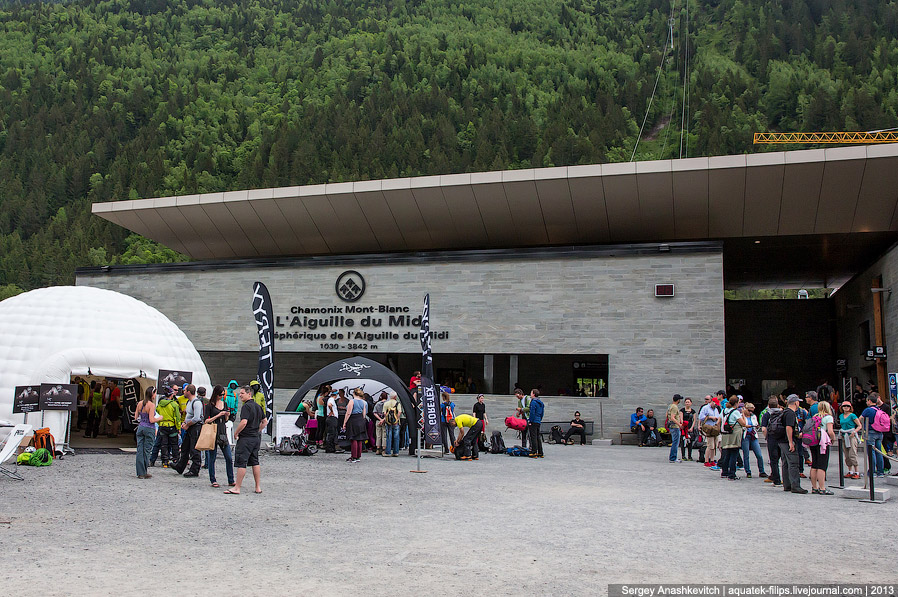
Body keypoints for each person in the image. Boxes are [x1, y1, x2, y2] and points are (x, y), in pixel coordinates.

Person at [225, 385, 267, 495]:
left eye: (242, 393)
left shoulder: (246, 406)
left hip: (246, 438)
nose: (240, 395)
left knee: (241, 462)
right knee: (255, 461)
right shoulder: (258, 406)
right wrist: (258, 430)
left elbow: (244, 422)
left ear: (249, 394)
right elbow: (265, 421)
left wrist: (236, 432)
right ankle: (258, 487)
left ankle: (237, 487)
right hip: (255, 438)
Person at [205, 385, 234, 489]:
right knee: (212, 458)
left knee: (229, 458)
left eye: (223, 395)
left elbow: (226, 420)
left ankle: (231, 479)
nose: (222, 396)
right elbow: (206, 420)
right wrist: (218, 415)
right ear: (216, 394)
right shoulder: (209, 406)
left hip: (222, 432)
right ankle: (213, 479)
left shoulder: (224, 403)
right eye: (220, 395)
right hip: (213, 432)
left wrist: (227, 415)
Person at [777, 394, 807, 494]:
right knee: (793, 463)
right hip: (787, 441)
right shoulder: (790, 413)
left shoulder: (784, 412)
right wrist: (791, 442)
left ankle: (787, 484)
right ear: (795, 402)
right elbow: (789, 427)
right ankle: (795, 485)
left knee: (785, 463)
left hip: (781, 440)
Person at [173, 385, 203, 477]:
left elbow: (196, 418)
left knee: (194, 449)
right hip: (189, 426)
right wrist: (185, 423)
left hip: (195, 427)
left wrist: (187, 424)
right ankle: (180, 466)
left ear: (189, 392)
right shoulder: (189, 402)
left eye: (184, 390)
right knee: (185, 447)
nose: (183, 392)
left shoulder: (197, 403)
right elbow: (189, 416)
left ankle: (195, 469)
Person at [134, 386, 162, 479]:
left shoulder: (140, 403)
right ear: (152, 394)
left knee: (139, 450)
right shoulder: (151, 405)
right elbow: (151, 419)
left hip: (141, 427)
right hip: (149, 428)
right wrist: (159, 418)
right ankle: (144, 471)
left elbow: (136, 417)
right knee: (147, 450)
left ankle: (139, 472)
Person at [809, 401, 836, 495]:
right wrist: (833, 439)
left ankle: (814, 487)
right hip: (823, 442)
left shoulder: (815, 417)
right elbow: (830, 431)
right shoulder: (828, 417)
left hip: (814, 441)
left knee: (814, 464)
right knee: (822, 465)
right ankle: (822, 487)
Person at [151, 386, 182, 468]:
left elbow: (157, 413)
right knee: (174, 444)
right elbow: (177, 418)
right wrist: (178, 428)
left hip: (162, 426)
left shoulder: (160, 404)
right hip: (171, 426)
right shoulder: (174, 404)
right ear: (171, 395)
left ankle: (165, 461)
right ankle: (175, 460)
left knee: (163, 444)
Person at [718, 396, 746, 480]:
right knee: (734, 453)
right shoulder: (736, 412)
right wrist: (743, 415)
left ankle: (724, 472)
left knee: (726, 453)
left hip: (725, 434)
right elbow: (743, 423)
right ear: (736, 403)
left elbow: (718, 421)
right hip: (734, 433)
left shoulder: (723, 410)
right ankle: (732, 474)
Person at [861, 394, 887, 478]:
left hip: (871, 432)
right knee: (879, 452)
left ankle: (872, 472)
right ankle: (880, 471)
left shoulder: (868, 410)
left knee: (871, 452)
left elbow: (860, 418)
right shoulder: (879, 409)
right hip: (879, 432)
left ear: (869, 401)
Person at [761, 396, 783, 486]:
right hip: (781, 438)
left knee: (773, 460)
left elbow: (763, 429)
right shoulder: (782, 413)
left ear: (768, 406)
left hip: (772, 438)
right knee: (783, 459)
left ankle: (776, 479)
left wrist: (767, 437)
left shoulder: (766, 414)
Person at [740, 403, 767, 479]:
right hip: (745, 435)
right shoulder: (741, 416)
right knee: (746, 454)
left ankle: (762, 471)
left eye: (752, 411)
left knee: (759, 454)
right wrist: (743, 414)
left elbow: (756, 424)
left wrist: (757, 426)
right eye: (749, 410)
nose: (750, 412)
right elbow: (743, 424)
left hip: (753, 435)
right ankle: (748, 471)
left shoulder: (753, 416)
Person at [342, 388, 368, 463]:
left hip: (353, 419)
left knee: (353, 438)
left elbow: (348, 412)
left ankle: (353, 456)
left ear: (354, 394)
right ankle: (358, 456)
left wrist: (344, 422)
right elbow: (364, 413)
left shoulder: (352, 401)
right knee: (359, 438)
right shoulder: (364, 402)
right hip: (361, 419)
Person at [839, 401, 862, 479]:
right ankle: (850, 471)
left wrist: (854, 432)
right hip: (844, 435)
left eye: (847, 406)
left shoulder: (852, 415)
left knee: (852, 453)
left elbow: (859, 425)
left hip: (851, 435)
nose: (846, 407)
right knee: (846, 454)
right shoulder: (841, 416)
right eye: (844, 406)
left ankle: (857, 471)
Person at [699, 397, 721, 467]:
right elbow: (701, 417)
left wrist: (716, 419)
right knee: (710, 445)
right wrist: (710, 417)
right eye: (715, 403)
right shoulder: (705, 408)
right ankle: (706, 460)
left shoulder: (716, 409)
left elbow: (718, 416)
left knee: (714, 445)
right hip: (708, 427)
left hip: (714, 428)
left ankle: (712, 459)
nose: (715, 405)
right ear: (711, 402)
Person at [383, 392, 402, 457]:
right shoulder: (398, 403)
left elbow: (384, 413)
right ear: (395, 397)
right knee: (396, 437)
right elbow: (399, 411)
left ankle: (388, 452)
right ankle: (395, 452)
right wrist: (397, 418)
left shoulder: (386, 403)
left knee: (388, 436)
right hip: (396, 422)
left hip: (388, 422)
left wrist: (387, 419)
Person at [527, 389, 545, 458]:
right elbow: (542, 413)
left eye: (531, 393)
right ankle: (540, 452)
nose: (530, 394)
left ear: (533, 394)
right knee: (538, 437)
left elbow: (532, 412)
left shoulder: (533, 402)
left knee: (533, 437)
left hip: (533, 421)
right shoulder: (541, 403)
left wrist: (530, 421)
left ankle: (534, 452)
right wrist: (540, 419)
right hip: (538, 421)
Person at [667, 394, 683, 463]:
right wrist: (679, 424)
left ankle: (673, 457)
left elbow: (667, 415)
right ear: (678, 400)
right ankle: (673, 457)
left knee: (674, 441)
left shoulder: (670, 406)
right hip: (675, 427)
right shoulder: (675, 407)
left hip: (671, 426)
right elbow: (672, 417)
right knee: (675, 442)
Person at [323, 389, 339, 453]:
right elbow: (329, 405)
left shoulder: (331, 399)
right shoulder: (331, 400)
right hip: (332, 418)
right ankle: (329, 448)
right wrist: (332, 411)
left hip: (331, 418)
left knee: (332, 433)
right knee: (331, 433)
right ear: (336, 395)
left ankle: (331, 447)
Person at [373, 391, 387, 456]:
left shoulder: (377, 404)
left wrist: (379, 419)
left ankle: (378, 449)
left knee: (378, 435)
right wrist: (383, 419)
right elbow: (389, 413)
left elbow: (374, 412)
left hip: (378, 421)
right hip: (386, 421)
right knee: (384, 435)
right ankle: (384, 449)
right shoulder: (387, 404)